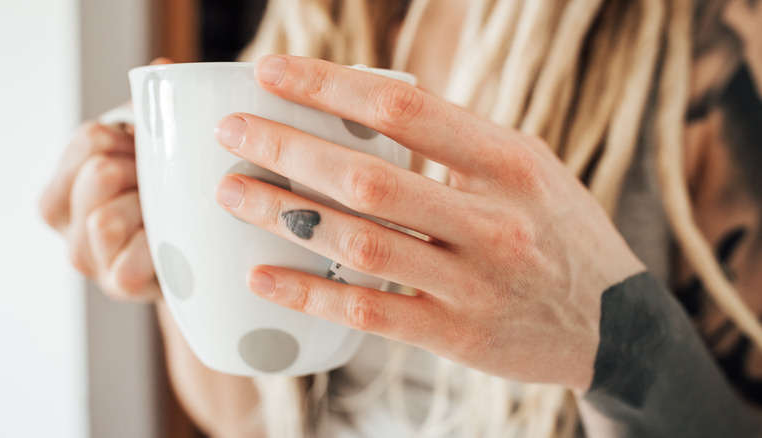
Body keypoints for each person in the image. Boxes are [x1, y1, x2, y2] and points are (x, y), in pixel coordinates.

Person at [39, 0, 762, 436]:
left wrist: (625, 342)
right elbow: (252, 421)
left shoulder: (703, 45)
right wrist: (175, 236)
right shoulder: (319, 20)